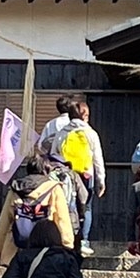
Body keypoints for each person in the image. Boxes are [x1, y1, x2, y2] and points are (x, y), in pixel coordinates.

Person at [49, 99, 106, 258]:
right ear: (85, 116)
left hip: (66, 175)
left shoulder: (62, 133)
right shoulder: (90, 133)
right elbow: (98, 159)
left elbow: (54, 154)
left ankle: (66, 239)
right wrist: (101, 181)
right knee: (86, 207)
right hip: (86, 175)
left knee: (67, 207)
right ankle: (84, 242)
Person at [0, 156, 75, 266]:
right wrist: (67, 244)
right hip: (45, 249)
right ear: (46, 169)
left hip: (17, 248)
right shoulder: (54, 188)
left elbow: (4, 221)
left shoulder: (16, 189)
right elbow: (62, 219)